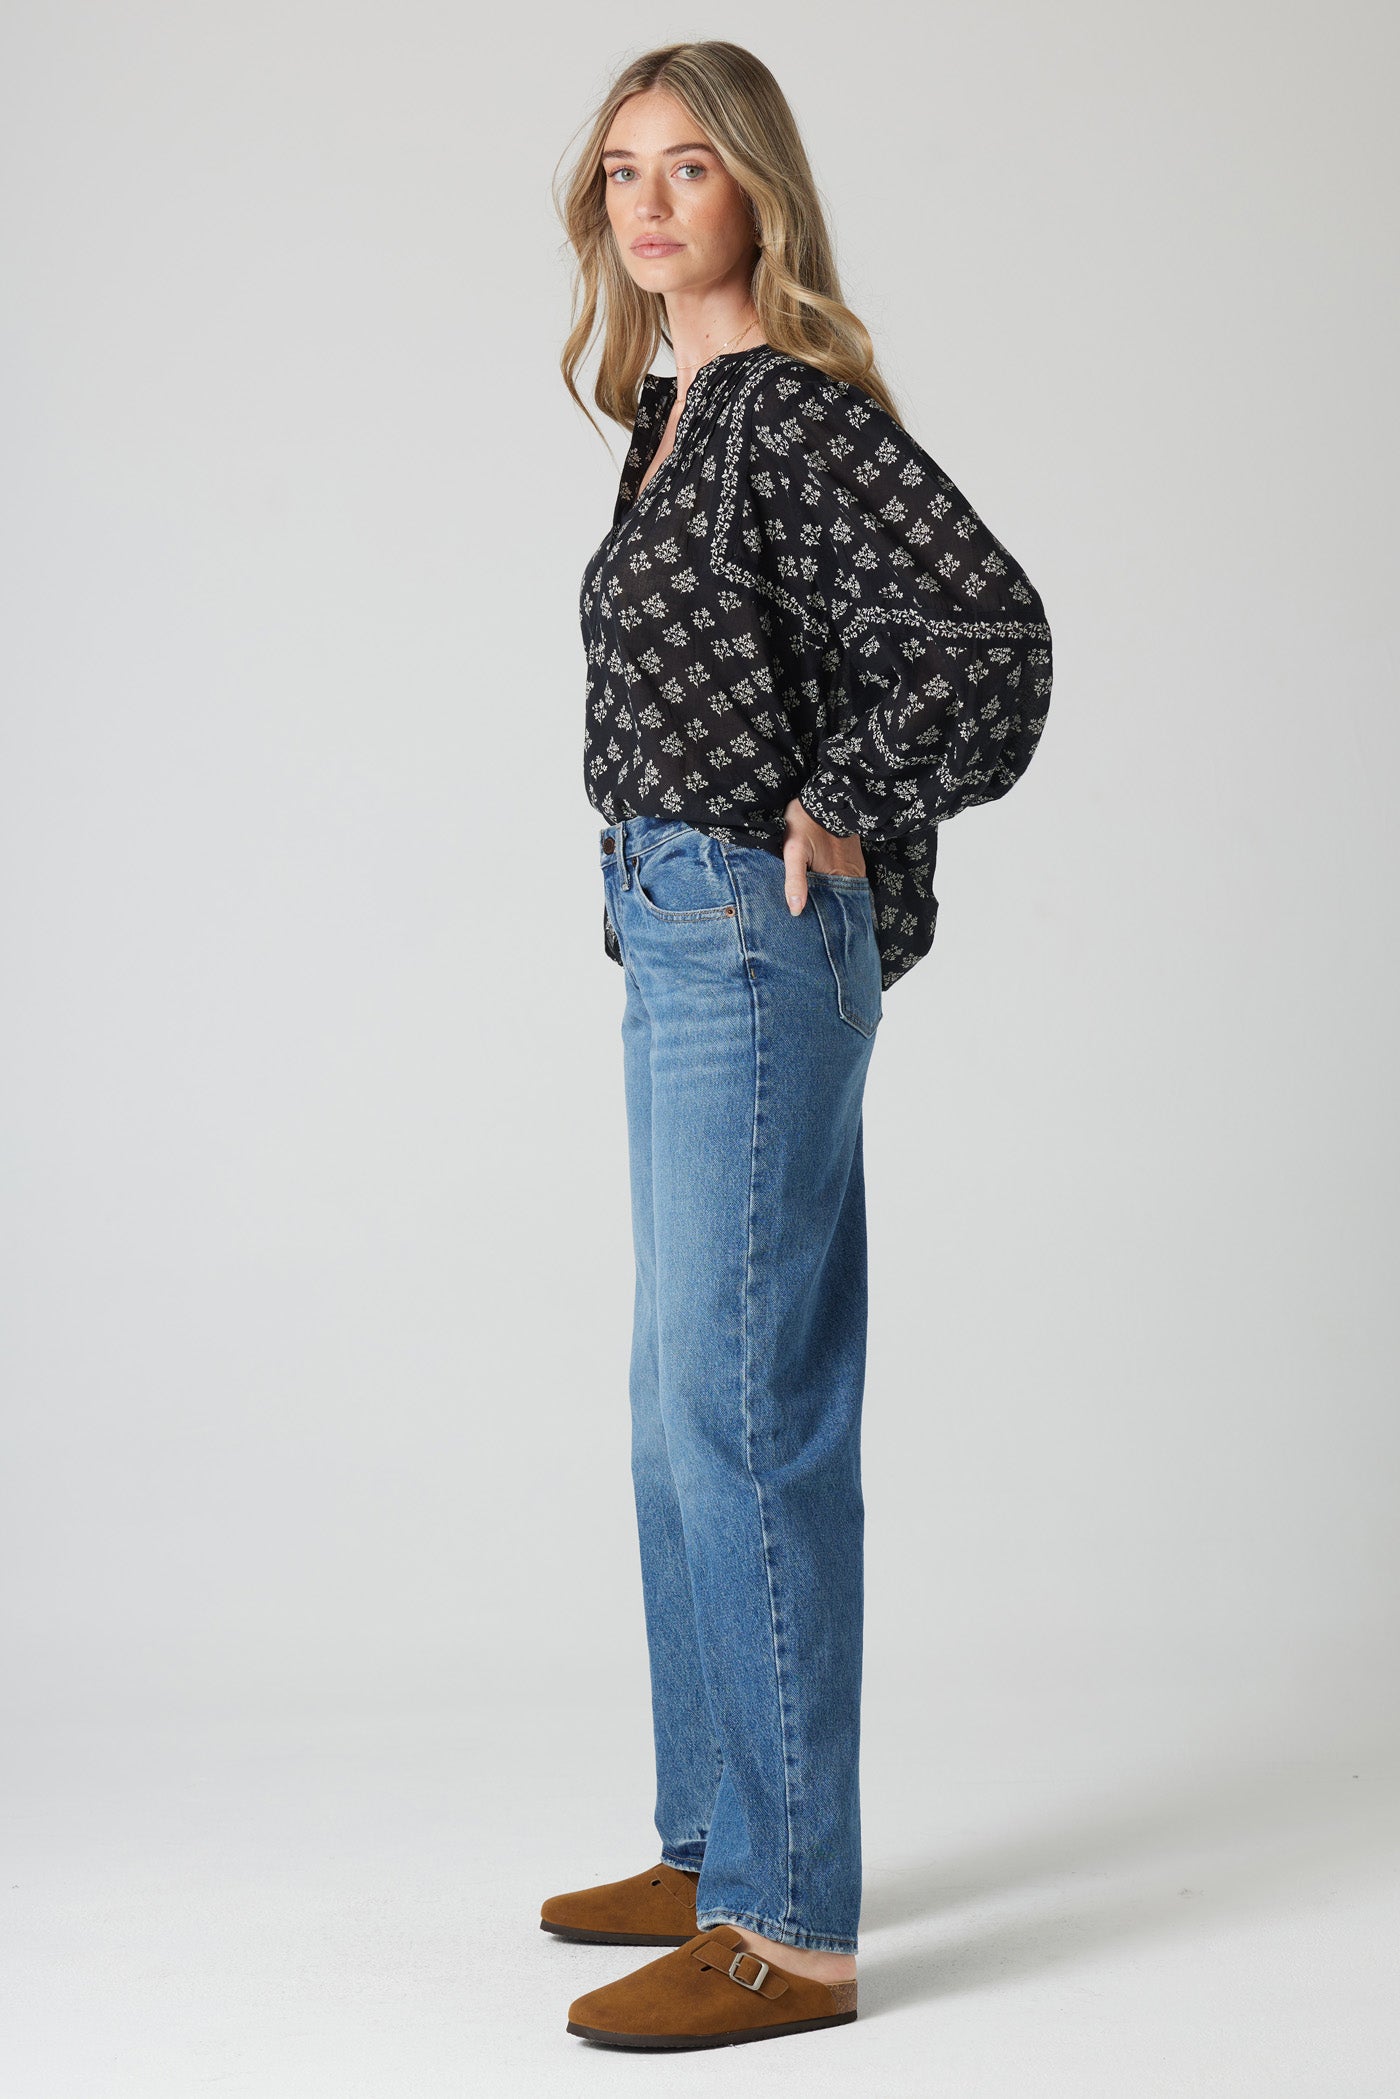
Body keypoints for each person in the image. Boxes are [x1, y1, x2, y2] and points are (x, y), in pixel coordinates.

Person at [543, 39, 1054, 2051]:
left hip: (749, 947)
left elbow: (989, 638)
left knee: (747, 1419)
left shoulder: (786, 413)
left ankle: (789, 1928)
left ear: (758, 189)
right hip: (675, 936)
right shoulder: (666, 413)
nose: (648, 203)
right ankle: (711, 1848)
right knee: (678, 1412)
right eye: (622, 172)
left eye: (688, 167)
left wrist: (841, 808)